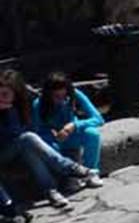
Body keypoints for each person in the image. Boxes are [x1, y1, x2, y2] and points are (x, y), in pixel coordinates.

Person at [0, 69, 91, 209]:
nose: (1, 96)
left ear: (16, 94)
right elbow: (11, 135)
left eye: (5, 94)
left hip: (20, 148)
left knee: (29, 149)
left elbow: (29, 129)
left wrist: (11, 112)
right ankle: (70, 167)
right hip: (4, 153)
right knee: (27, 139)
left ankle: (51, 192)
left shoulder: (23, 105)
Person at [32, 72, 105, 185]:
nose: (61, 100)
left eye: (64, 96)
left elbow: (98, 119)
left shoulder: (75, 94)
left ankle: (91, 173)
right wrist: (51, 134)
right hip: (54, 142)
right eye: (57, 97)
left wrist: (74, 125)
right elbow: (36, 131)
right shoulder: (38, 104)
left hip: (72, 135)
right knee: (46, 143)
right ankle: (67, 177)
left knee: (92, 134)